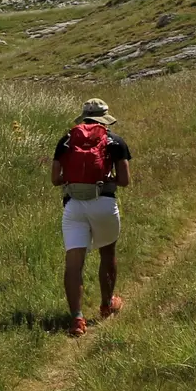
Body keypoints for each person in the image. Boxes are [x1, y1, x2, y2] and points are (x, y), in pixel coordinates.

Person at [50, 98, 131, 337]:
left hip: (74, 206)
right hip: (104, 203)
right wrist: (105, 181)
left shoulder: (66, 140)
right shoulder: (115, 141)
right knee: (107, 254)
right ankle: (106, 305)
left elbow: (55, 179)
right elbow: (125, 181)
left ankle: (76, 319)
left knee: (74, 264)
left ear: (83, 116)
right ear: (105, 117)